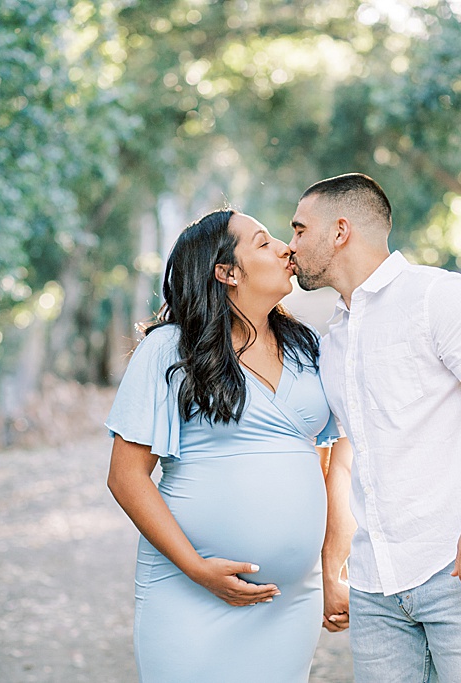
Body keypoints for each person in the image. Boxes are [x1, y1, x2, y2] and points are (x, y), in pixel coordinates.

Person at [288, 173, 461, 683]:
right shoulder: (332, 337)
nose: (290, 247)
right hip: (376, 588)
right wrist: (334, 570)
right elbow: (347, 456)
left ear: (340, 231)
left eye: (298, 230)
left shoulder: (438, 297)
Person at [104, 208, 345, 683]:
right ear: (227, 273)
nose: (286, 247)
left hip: (290, 599)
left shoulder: (308, 348)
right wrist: (196, 569)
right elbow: (126, 476)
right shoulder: (170, 350)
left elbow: (325, 462)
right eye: (263, 242)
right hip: (188, 590)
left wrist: (329, 570)